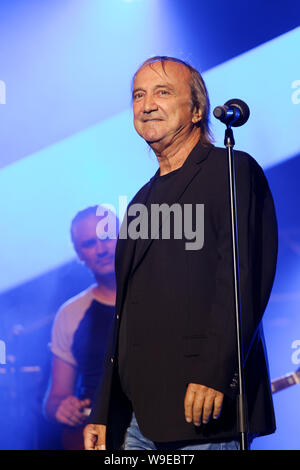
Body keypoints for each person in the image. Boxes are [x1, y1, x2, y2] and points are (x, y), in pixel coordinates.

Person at [84, 56, 278, 451]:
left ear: (197, 110)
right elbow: (125, 315)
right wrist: (106, 412)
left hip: (205, 413)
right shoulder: (140, 201)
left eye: (162, 92)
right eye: (138, 95)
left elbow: (244, 279)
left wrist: (215, 372)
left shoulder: (232, 170)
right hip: (138, 421)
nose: (147, 103)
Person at [43, 206, 117, 449]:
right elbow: (54, 399)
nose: (101, 249)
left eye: (106, 237)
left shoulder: (160, 293)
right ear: (78, 253)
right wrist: (62, 408)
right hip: (100, 435)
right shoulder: (71, 313)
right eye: (89, 243)